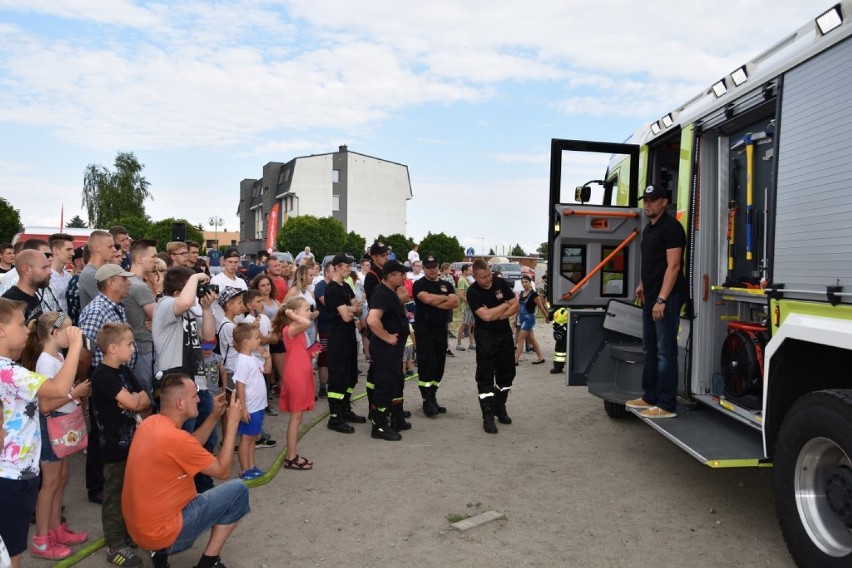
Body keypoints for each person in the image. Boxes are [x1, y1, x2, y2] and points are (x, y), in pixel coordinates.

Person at [123, 373, 248, 568]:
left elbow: (190, 446)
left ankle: (159, 552)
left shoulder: (151, 424)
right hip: (160, 533)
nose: (199, 399)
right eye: (194, 395)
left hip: (139, 530)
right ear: (180, 403)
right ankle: (208, 562)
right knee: (238, 491)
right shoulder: (176, 439)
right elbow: (223, 471)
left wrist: (214, 415)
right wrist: (231, 424)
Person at [0, 299, 83, 568]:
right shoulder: (8, 372)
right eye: (21, 324)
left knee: (10, 548)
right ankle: (42, 540)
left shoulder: (10, 369)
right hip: (10, 475)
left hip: (19, 472)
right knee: (10, 552)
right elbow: (59, 389)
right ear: (2, 330)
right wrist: (77, 346)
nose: (27, 330)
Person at [20, 312, 91, 560]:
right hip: (51, 426)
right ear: (54, 333)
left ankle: (55, 530)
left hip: (63, 428)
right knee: (49, 485)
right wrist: (74, 393)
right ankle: (41, 540)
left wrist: (75, 392)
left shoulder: (59, 355)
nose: (73, 334)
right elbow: (45, 406)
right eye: (68, 330)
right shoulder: (45, 362)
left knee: (60, 479)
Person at [90, 322, 150, 567]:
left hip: (133, 444)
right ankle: (115, 544)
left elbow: (144, 397)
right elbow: (136, 402)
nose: (133, 348)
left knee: (132, 492)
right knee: (115, 495)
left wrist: (131, 401)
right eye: (129, 344)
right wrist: (133, 401)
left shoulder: (124, 371)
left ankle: (127, 535)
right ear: (113, 348)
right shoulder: (102, 375)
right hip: (114, 448)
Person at [626, 184, 686, 419]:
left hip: (666, 299)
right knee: (649, 348)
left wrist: (662, 299)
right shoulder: (649, 229)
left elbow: (673, 266)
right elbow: (651, 263)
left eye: (653, 200)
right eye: (646, 200)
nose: (648, 204)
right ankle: (650, 396)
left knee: (665, 352)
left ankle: (667, 405)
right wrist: (643, 284)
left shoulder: (671, 228)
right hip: (651, 296)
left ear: (664, 202)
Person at [466, 260, 519, 434]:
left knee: (507, 374)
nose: (488, 279)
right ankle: (487, 416)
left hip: (503, 335)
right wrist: (504, 305)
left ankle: (499, 406)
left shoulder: (500, 282)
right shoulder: (473, 292)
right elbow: (485, 317)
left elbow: (516, 306)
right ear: (475, 276)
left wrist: (496, 313)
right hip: (486, 337)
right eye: (483, 277)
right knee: (485, 377)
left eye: (489, 274)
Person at [366, 260, 411, 440]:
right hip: (386, 349)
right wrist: (387, 337)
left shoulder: (390, 292)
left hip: (394, 350)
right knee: (384, 385)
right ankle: (379, 426)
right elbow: (372, 320)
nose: (403, 277)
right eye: (400, 274)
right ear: (390, 276)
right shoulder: (382, 293)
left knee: (396, 382)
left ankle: (396, 418)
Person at [272, 297, 317, 469]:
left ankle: (293, 454)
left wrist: (310, 354)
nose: (309, 312)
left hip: (301, 373)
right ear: (295, 313)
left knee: (298, 417)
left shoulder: (297, 328)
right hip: (295, 375)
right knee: (295, 417)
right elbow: (306, 322)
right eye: (306, 308)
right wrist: (290, 313)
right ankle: (291, 457)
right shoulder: (289, 329)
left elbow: (299, 346)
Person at [323, 254, 364, 433]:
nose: (350, 269)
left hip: (349, 335)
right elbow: (348, 316)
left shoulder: (346, 286)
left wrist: (349, 309)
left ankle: (346, 409)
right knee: (338, 376)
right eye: (347, 266)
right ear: (338, 267)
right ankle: (335, 417)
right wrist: (350, 309)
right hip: (338, 336)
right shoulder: (332, 289)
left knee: (351, 374)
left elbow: (358, 310)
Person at [413, 256, 458, 417]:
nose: (432, 269)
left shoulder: (446, 285)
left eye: (434, 266)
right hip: (424, 331)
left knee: (439, 365)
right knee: (427, 364)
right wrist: (442, 300)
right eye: (428, 267)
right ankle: (427, 401)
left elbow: (455, 303)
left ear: (438, 267)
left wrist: (435, 301)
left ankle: (433, 397)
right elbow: (426, 298)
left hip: (440, 331)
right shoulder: (419, 284)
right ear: (423, 268)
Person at [232, 323, 271, 479]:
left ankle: (252, 466)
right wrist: (243, 407)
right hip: (251, 407)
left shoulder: (253, 358)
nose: (259, 341)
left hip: (259, 405)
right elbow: (239, 385)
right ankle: (244, 469)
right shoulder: (242, 361)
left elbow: (266, 371)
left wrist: (267, 358)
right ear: (246, 342)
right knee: (246, 439)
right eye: (256, 338)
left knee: (253, 438)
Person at [125, 239, 159, 402]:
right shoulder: (138, 286)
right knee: (146, 395)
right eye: (153, 256)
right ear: (139, 259)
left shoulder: (133, 281)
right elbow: (161, 317)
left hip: (139, 345)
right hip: (143, 347)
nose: (156, 260)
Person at [1, 249, 52, 322]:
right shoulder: (11, 302)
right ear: (26, 270)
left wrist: (60, 319)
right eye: (44, 267)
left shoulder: (33, 295)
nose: (50, 272)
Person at [78, 230, 117, 311]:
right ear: (97, 248)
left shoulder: (100, 272)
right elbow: (111, 303)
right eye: (110, 246)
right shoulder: (90, 274)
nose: (114, 250)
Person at [514, 275, 548, 365]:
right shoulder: (521, 293)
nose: (524, 284)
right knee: (532, 339)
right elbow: (519, 307)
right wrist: (515, 317)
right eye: (522, 282)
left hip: (529, 319)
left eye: (526, 282)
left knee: (520, 338)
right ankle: (541, 358)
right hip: (521, 318)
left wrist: (546, 317)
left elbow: (541, 307)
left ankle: (515, 360)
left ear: (530, 283)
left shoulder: (534, 295)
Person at [48, 233, 75, 313]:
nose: (72, 253)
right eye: (68, 249)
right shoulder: (47, 277)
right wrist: (58, 324)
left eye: (72, 249)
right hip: (53, 322)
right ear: (55, 250)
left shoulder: (68, 276)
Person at [455, 264, 476, 351]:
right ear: (465, 271)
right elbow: (460, 294)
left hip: (470, 306)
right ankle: (458, 343)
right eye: (469, 270)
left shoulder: (466, 279)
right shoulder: (461, 280)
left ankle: (471, 342)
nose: (470, 271)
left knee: (471, 324)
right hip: (466, 306)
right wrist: (469, 302)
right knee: (464, 324)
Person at [549, 307, 569, 375]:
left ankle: (558, 367)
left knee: (560, 350)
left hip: (563, 329)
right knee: (560, 351)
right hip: (564, 329)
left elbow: (550, 316)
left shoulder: (559, 304)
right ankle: (558, 367)